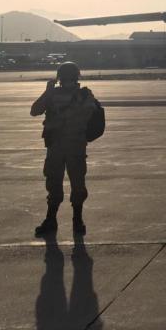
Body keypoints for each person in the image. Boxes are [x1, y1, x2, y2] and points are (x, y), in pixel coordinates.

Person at [31, 62, 99, 237]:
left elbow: (35, 110)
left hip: (60, 147)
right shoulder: (85, 95)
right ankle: (76, 221)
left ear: (59, 77)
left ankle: (53, 220)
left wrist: (48, 92)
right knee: (76, 183)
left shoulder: (59, 95)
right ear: (77, 76)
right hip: (73, 146)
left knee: (56, 184)